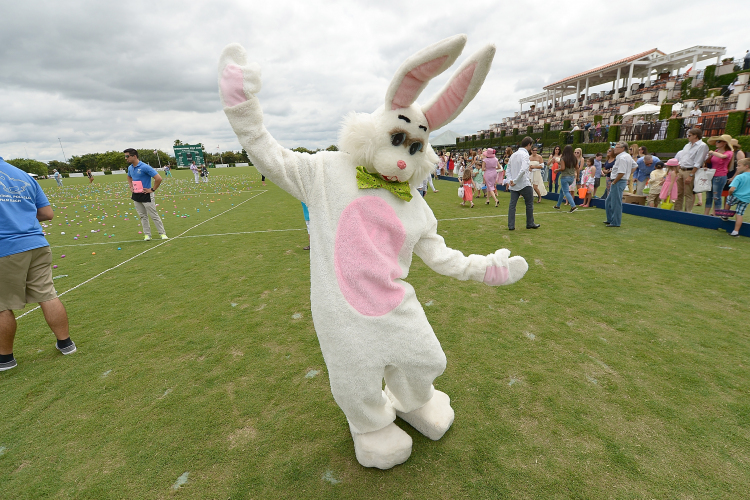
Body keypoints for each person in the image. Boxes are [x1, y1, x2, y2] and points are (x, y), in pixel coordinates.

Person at [1, 156, 76, 371]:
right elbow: (46, 213)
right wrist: (21, 219)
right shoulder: (22, 174)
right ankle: (66, 343)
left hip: (5, 248)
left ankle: (5, 359)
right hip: (36, 244)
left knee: (2, 305)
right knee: (47, 294)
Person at [124, 148, 168, 241]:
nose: (126, 158)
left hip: (146, 194)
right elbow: (129, 176)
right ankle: (147, 235)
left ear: (134, 156)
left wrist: (152, 189)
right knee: (142, 216)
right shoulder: (130, 167)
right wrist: (130, 186)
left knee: (153, 215)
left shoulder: (145, 167)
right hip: (136, 194)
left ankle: (162, 233)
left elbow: (158, 178)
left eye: (127, 156)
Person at [506, 137, 539, 229]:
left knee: (512, 205)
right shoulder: (524, 155)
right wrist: (513, 180)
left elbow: (508, 170)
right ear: (529, 145)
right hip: (523, 183)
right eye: (531, 145)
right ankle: (530, 223)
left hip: (514, 184)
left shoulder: (513, 155)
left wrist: (511, 180)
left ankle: (511, 225)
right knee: (529, 204)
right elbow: (523, 169)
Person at [674, 127, 709, 212]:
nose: (687, 137)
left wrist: (691, 175)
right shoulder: (687, 145)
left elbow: (698, 162)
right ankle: (677, 210)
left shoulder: (702, 146)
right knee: (679, 193)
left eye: (689, 135)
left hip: (690, 170)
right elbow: (683, 159)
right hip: (681, 169)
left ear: (695, 136)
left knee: (688, 193)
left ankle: (687, 212)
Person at [604, 141, 637, 227]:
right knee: (609, 201)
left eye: (617, 147)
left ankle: (615, 222)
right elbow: (635, 165)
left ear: (622, 148)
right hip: (619, 180)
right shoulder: (627, 156)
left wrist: (615, 182)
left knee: (616, 202)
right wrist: (628, 173)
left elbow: (621, 172)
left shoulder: (622, 158)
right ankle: (610, 219)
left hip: (618, 181)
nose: (614, 148)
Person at [704, 135, 734, 217]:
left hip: (720, 176)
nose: (716, 143)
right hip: (711, 175)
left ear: (724, 143)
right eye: (717, 141)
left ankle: (715, 214)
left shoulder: (729, 152)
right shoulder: (716, 151)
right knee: (708, 195)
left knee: (716, 196)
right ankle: (705, 214)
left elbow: (723, 156)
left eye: (719, 141)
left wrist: (712, 152)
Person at [723, 158, 750, 237]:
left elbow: (732, 189)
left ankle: (725, 214)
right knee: (739, 214)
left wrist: (730, 193)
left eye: (739, 166)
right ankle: (735, 231)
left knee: (728, 200)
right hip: (746, 198)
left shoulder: (739, 177)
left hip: (736, 195)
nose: (737, 167)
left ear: (746, 166)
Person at [553, 145, 579, 212]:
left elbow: (563, 168)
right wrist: (578, 177)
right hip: (572, 177)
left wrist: (557, 170)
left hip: (565, 177)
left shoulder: (563, 158)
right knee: (562, 191)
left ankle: (573, 206)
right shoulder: (574, 159)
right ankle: (558, 205)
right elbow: (577, 168)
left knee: (566, 192)